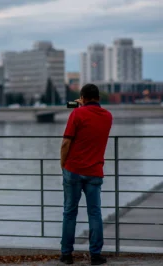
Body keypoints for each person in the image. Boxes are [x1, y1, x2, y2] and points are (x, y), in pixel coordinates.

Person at [59, 84, 113, 265]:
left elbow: (66, 142)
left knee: (69, 213)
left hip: (73, 169)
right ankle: (95, 255)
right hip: (94, 171)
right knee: (95, 213)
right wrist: (84, 105)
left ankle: (66, 255)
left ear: (82, 97)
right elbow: (92, 122)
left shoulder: (76, 113)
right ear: (98, 97)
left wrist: (63, 164)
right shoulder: (108, 116)